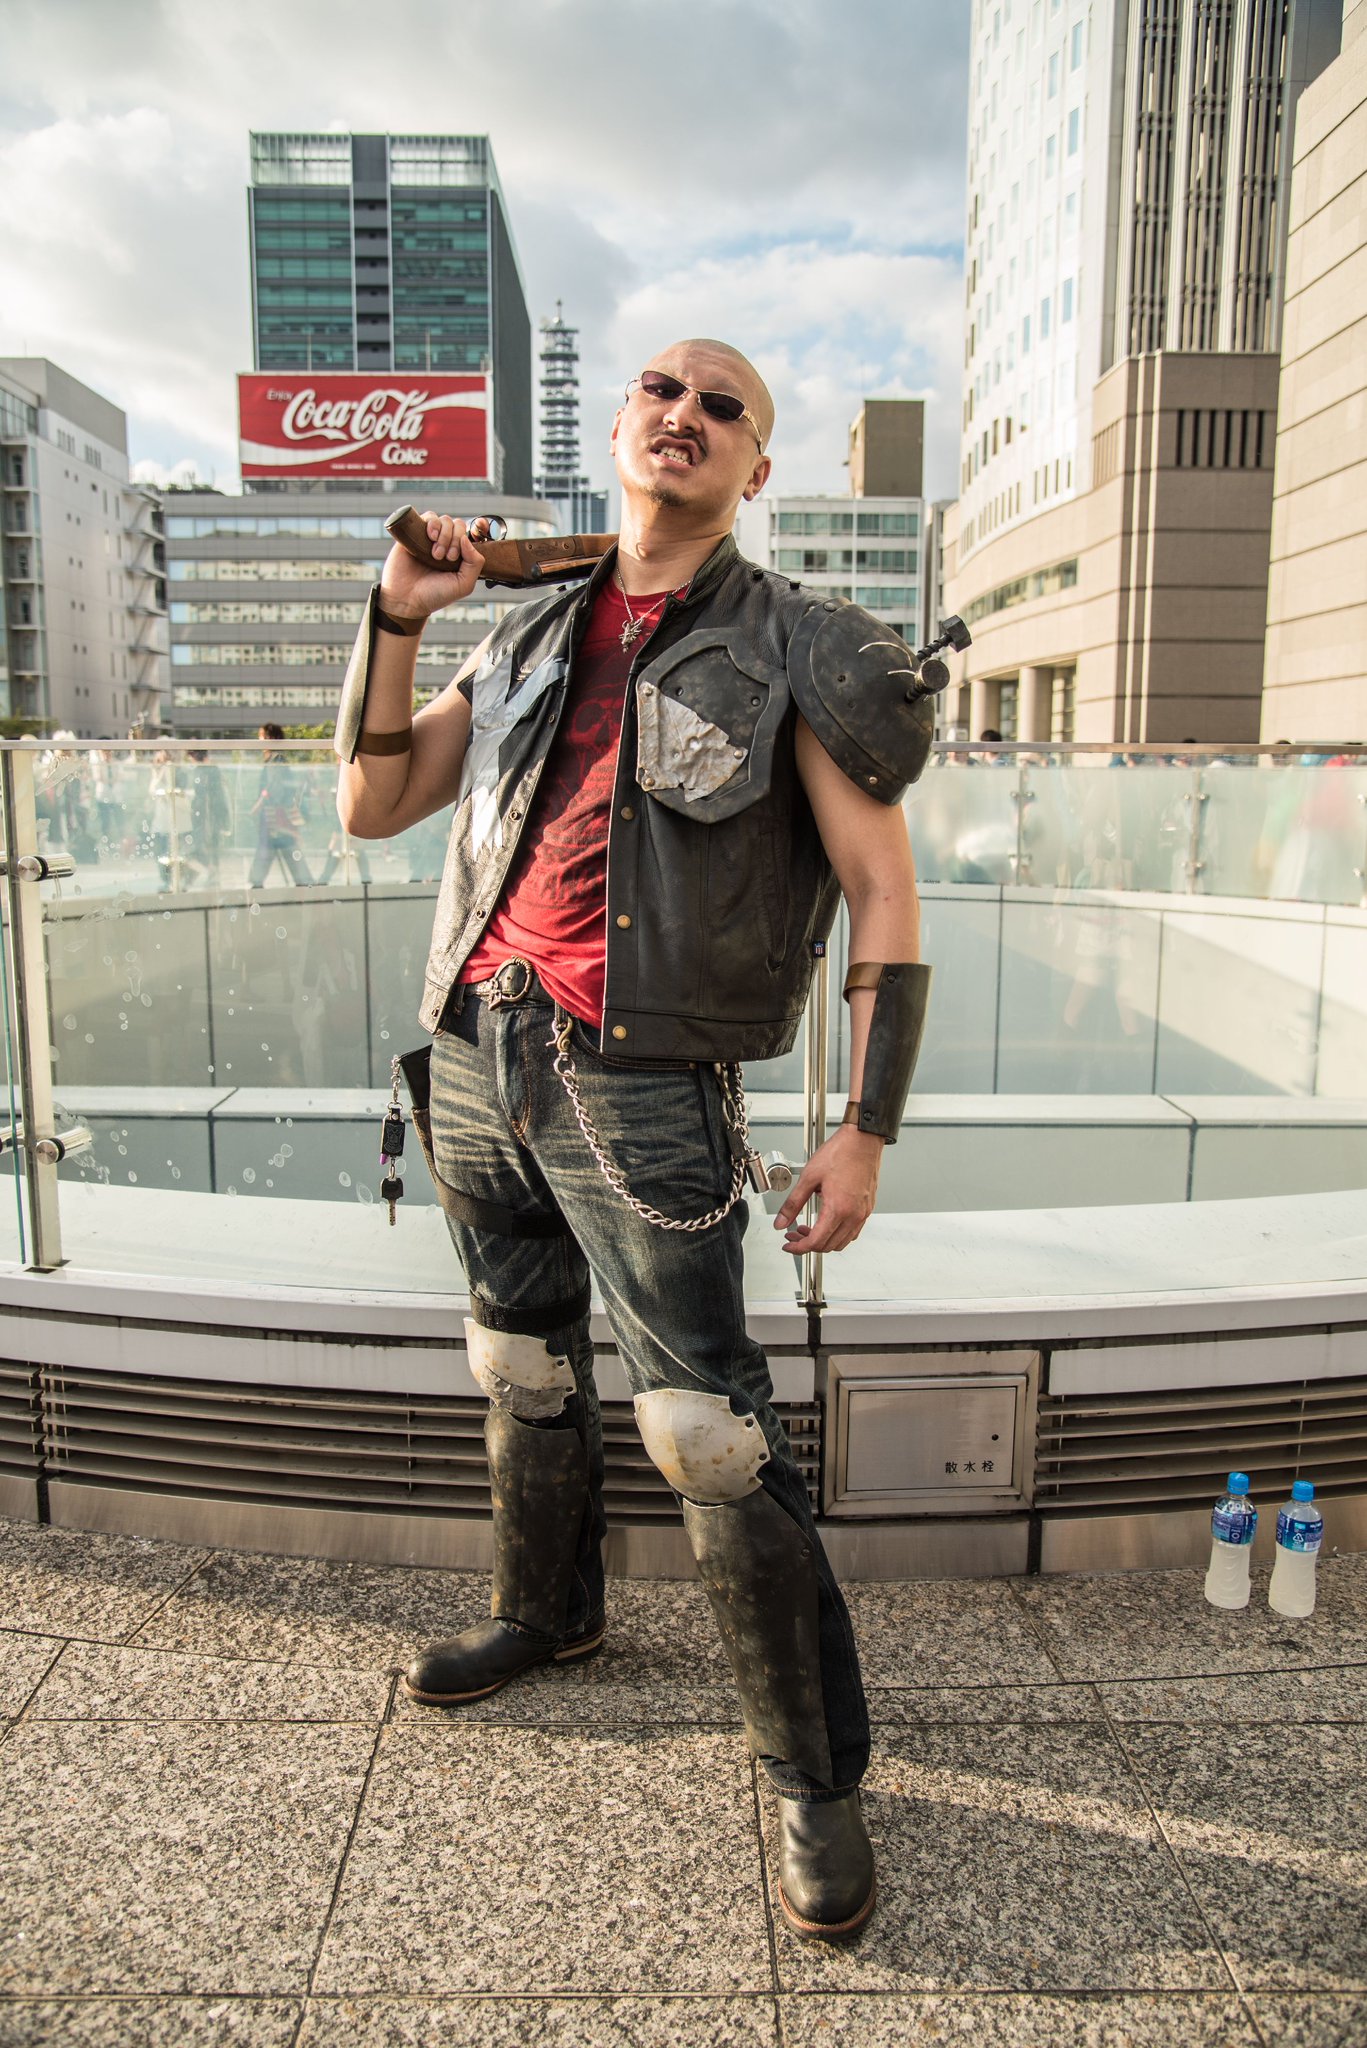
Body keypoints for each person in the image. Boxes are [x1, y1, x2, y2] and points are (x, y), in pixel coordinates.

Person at [334, 339, 935, 1944]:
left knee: (706, 1432)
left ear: (754, 468)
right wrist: (395, 617)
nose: (685, 414)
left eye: (722, 406)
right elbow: (372, 803)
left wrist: (862, 1131)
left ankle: (811, 1774)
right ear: (617, 425)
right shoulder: (527, 621)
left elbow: (881, 889)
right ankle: (549, 1613)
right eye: (661, 390)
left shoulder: (798, 643)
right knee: (519, 1362)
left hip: (643, 1081)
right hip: (477, 1046)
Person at [248, 723, 313, 887]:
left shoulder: (275, 759)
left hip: (273, 813)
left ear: (270, 738)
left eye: (261, 736)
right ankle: (303, 881)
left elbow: (272, 787)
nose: (259, 740)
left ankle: (257, 883)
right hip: (277, 813)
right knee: (282, 845)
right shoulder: (275, 759)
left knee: (270, 847)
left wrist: (259, 805)